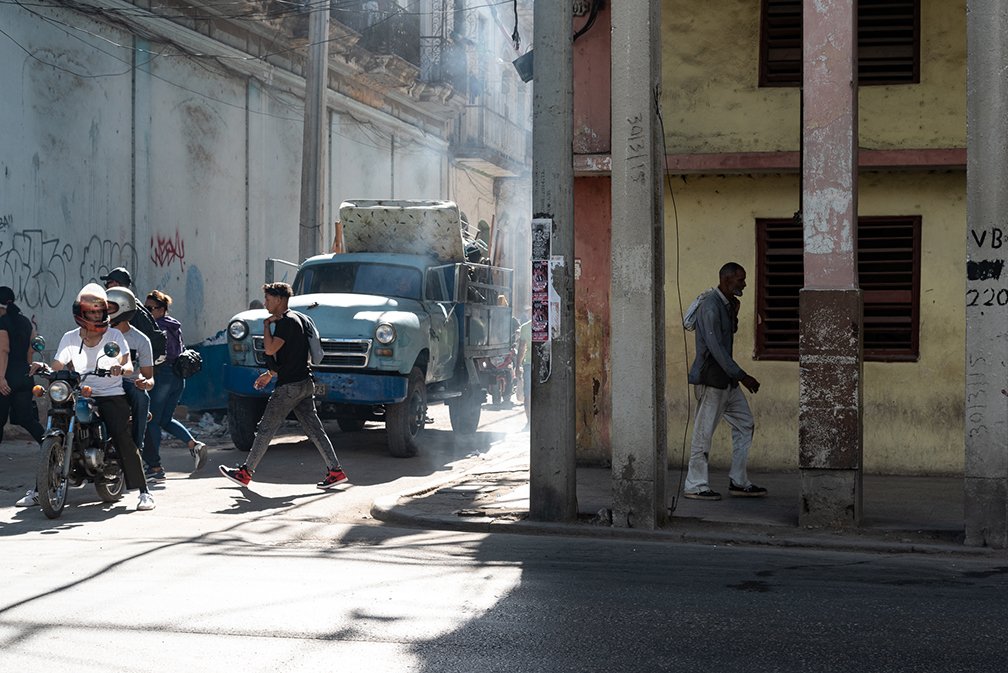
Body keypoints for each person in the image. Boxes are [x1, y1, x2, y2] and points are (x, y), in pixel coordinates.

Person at [23, 284, 155, 510]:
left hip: (109, 393)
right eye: (91, 312)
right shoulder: (70, 338)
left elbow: (127, 361)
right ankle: (40, 490)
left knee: (122, 436)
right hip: (78, 390)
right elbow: (58, 364)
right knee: (55, 426)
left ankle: (144, 492)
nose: (96, 316)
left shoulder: (113, 335)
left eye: (99, 312)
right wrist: (45, 367)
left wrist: (119, 369)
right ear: (80, 314)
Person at [219, 282, 348, 489]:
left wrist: (265, 326)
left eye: (268, 299)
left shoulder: (286, 323)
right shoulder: (299, 319)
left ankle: (245, 473)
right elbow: (291, 357)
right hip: (305, 383)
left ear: (279, 299)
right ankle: (336, 471)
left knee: (265, 429)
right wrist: (269, 374)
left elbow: (270, 350)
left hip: (289, 387)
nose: (265, 303)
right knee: (315, 430)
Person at [684, 262, 767, 501]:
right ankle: (695, 485)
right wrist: (743, 376)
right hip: (712, 379)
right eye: (740, 279)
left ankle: (739, 481)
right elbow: (717, 349)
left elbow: (727, 336)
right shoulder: (710, 305)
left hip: (727, 381)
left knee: (745, 424)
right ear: (727, 278)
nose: (744, 284)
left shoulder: (727, 304)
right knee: (703, 433)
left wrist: (735, 312)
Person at [143, 290, 207, 481]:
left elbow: (161, 356)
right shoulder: (173, 326)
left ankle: (154, 468)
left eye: (150, 308)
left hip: (163, 376)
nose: (146, 312)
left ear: (162, 309)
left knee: (151, 420)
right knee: (165, 419)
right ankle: (193, 444)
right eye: (145, 308)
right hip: (178, 378)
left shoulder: (158, 328)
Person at [107, 287, 155, 479]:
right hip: (97, 382)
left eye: (110, 307)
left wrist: (145, 382)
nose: (105, 311)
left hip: (126, 383)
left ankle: (136, 447)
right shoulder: (96, 333)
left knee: (141, 397)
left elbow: (149, 377)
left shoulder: (140, 340)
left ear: (123, 308)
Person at [0, 286, 44, 448]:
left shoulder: (2, 323)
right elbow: (31, 349)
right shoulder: (25, 321)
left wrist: (1, 378)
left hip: (6, 377)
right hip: (24, 376)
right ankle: (51, 448)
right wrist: (27, 370)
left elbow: (3, 350)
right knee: (27, 419)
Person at [101, 267, 167, 365]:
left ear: (116, 284)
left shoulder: (128, 308)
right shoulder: (130, 303)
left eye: (108, 283)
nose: (106, 287)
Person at [516, 317, 531, 431]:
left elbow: (522, 348)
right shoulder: (548, 324)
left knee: (528, 394)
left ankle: (529, 421)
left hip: (528, 364)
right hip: (545, 362)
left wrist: (517, 366)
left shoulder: (526, 327)